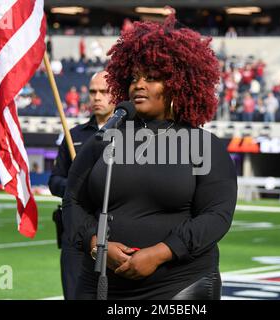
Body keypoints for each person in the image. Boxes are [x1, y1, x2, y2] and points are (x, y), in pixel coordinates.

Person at [63, 12, 237, 300]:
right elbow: (72, 201)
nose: (139, 85)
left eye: (152, 78)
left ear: (178, 84)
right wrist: (95, 245)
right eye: (134, 77)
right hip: (100, 284)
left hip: (179, 286)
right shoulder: (104, 139)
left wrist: (159, 253)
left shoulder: (204, 145)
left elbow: (216, 216)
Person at [48, 71, 115, 300]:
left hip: (116, 233)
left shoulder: (131, 135)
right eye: (93, 91)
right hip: (75, 236)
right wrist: (76, 187)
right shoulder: (72, 135)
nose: (97, 97)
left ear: (115, 94)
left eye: (104, 92)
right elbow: (54, 181)